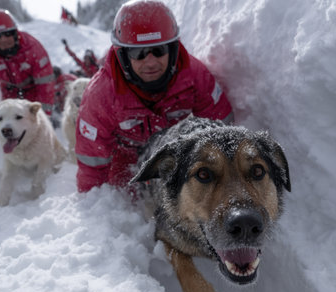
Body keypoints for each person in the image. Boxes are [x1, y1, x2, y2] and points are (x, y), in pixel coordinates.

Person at [75, 0, 234, 192]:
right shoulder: (100, 95)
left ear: (173, 50)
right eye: (139, 53)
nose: (150, 62)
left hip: (175, 148)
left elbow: (224, 132)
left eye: (159, 51)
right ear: (123, 55)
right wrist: (95, 208)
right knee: (127, 202)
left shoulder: (195, 76)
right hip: (125, 160)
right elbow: (92, 165)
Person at [0, 9, 55, 132]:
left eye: (7, 34)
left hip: (33, 89)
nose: (3, 39)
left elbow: (45, 84)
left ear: (15, 33)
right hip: (9, 91)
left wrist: (45, 115)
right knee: (13, 124)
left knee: (34, 124)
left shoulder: (33, 48)